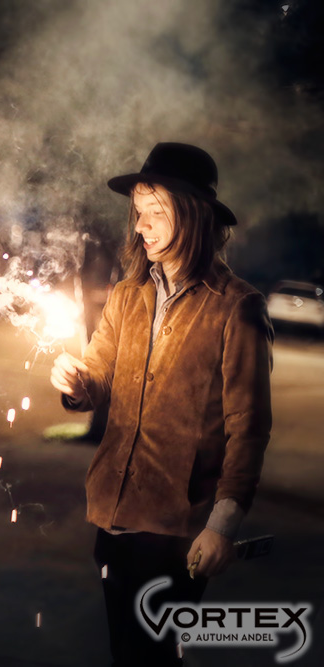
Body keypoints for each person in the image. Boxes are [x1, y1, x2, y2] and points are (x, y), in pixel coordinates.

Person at [50, 142, 273, 666]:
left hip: (178, 530)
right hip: (112, 516)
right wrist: (75, 382)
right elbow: (97, 378)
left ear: (194, 216)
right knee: (127, 656)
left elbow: (249, 428)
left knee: (153, 660)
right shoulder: (128, 296)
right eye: (138, 213)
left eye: (157, 212)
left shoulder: (237, 307)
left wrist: (222, 524)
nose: (142, 226)